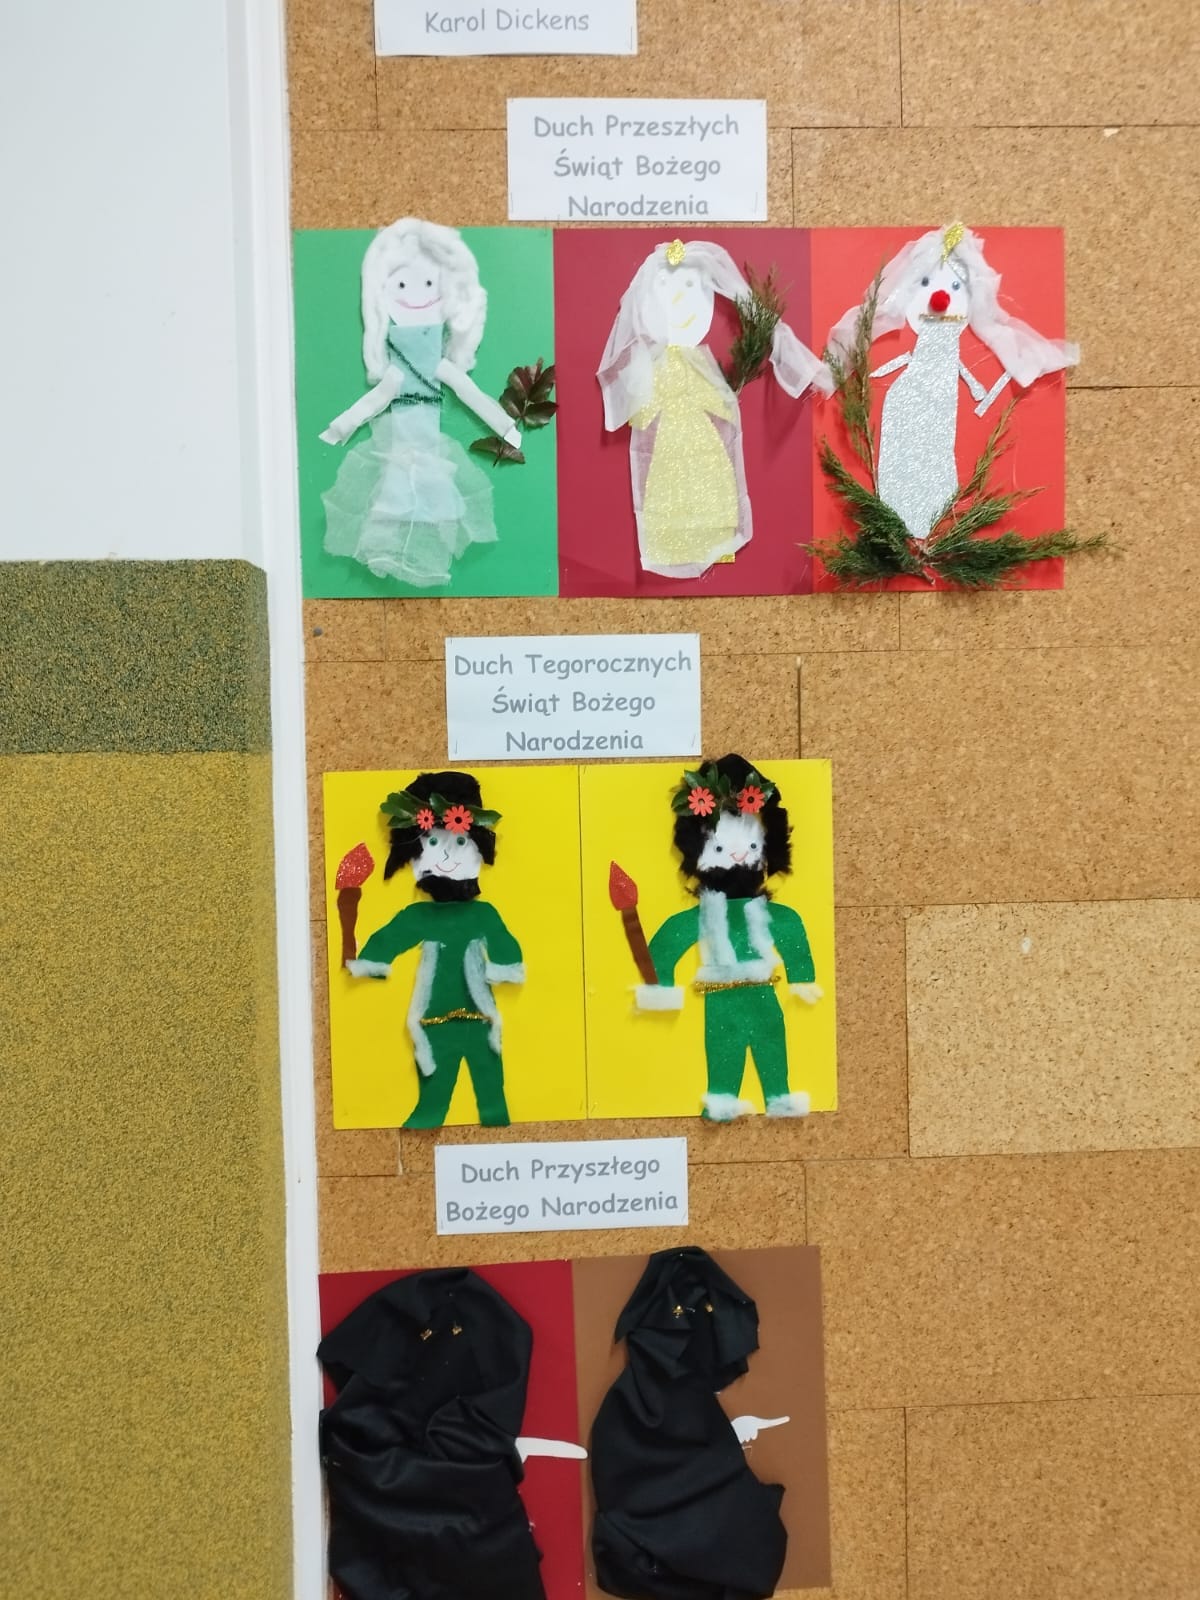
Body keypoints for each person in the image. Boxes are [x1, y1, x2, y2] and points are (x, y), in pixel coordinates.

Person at [826, 222, 1079, 543]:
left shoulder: (950, 340)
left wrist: (978, 387)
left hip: (940, 407)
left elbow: (958, 370)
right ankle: (902, 510)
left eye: (955, 287)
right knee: (905, 451)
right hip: (905, 398)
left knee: (935, 450)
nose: (941, 298)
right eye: (926, 283)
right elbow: (910, 361)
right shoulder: (926, 333)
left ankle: (921, 516)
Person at [598, 238, 830, 579]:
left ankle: (716, 539)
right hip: (669, 448)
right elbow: (644, 410)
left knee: (710, 487)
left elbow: (710, 405)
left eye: (690, 288)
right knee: (670, 493)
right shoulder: (657, 364)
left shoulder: (698, 365)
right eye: (668, 289)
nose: (679, 300)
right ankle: (673, 545)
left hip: (701, 442)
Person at [320, 217, 521, 586]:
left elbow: (469, 393)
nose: (415, 293)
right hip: (400, 442)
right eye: (400, 284)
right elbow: (378, 397)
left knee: (423, 491)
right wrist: (341, 426)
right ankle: (393, 544)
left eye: (429, 283)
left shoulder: (433, 363)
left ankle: (418, 545)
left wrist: (505, 427)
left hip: (425, 440)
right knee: (396, 492)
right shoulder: (398, 366)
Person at [635, 754, 821, 1120]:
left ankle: (778, 1095)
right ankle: (723, 1101)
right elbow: (668, 943)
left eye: (749, 846)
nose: (737, 855)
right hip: (721, 998)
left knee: (771, 1041)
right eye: (722, 848)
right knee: (724, 1048)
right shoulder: (705, 916)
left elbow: (789, 928)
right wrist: (661, 982)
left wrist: (802, 975)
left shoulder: (763, 914)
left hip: (762, 992)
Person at [347, 771, 523, 1127]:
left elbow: (504, 943)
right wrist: (371, 960)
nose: (445, 855)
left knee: (491, 1090)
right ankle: (430, 1116)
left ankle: (495, 1121)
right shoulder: (420, 916)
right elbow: (392, 936)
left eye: (457, 842)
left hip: (480, 1019)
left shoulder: (482, 914)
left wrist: (505, 965)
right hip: (434, 1020)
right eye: (432, 842)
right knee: (433, 1097)